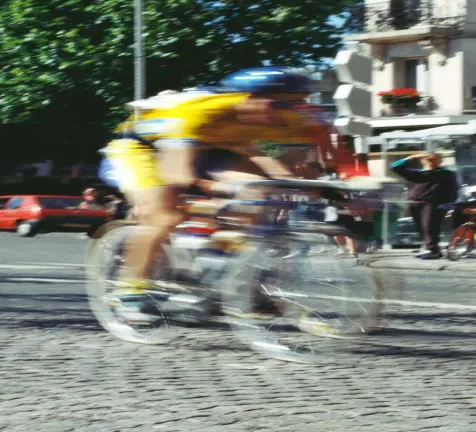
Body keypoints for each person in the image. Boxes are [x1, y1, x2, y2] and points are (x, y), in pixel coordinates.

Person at [101, 68, 329, 306]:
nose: (287, 112)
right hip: (143, 150)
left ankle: (227, 264)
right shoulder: (200, 112)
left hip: (215, 149)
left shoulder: (287, 118)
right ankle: (129, 286)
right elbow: (178, 173)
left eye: (296, 104)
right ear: (248, 99)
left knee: (259, 195)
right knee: (166, 216)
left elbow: (288, 168)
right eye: (279, 104)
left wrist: (317, 189)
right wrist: (220, 190)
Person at [390, 152, 459, 260]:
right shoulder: (416, 174)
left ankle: (433, 250)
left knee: (429, 226)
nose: (431, 162)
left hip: (433, 203)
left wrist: (450, 205)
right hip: (415, 203)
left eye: (435, 159)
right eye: (429, 160)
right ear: (423, 161)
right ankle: (429, 248)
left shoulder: (445, 173)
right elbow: (395, 167)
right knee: (421, 228)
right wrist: (412, 157)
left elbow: (454, 190)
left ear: (440, 161)